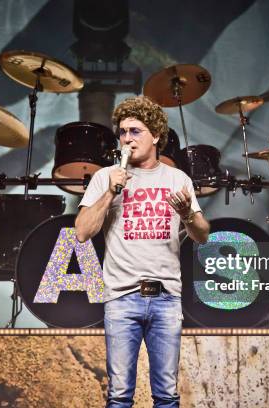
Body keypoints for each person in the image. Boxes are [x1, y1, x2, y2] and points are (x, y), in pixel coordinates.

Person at [75, 95, 210, 407]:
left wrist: (189, 213)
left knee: (166, 395)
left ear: (156, 136)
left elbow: (202, 235)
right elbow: (82, 232)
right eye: (122, 132)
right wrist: (111, 191)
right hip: (121, 298)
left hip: (166, 298)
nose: (126, 138)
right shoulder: (105, 177)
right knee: (120, 396)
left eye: (135, 131)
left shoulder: (178, 179)